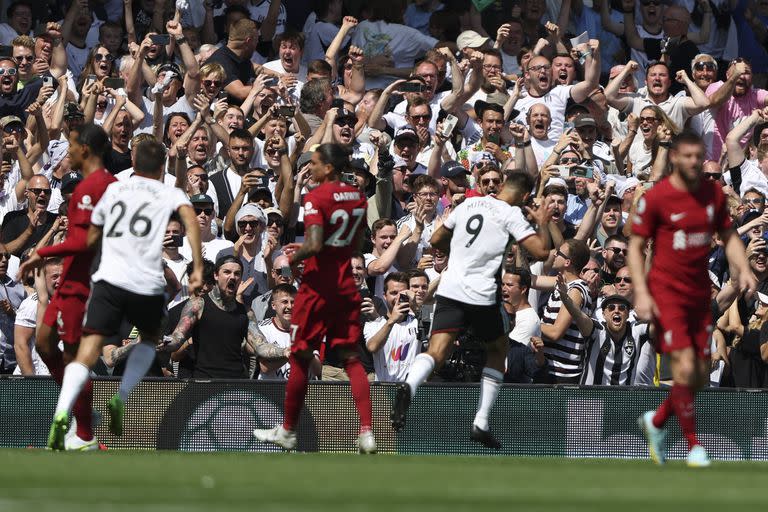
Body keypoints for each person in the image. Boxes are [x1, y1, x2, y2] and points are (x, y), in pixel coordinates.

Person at [44, 139, 204, 451]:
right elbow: (191, 223)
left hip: (109, 280)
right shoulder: (170, 192)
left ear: (134, 162)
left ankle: (62, 411)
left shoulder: (115, 189)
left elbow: (91, 235)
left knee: (86, 349)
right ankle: (122, 396)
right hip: (145, 281)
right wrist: (196, 265)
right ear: (161, 168)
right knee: (149, 340)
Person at [391, 171, 553, 449]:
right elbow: (540, 253)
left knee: (437, 351)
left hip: (450, 286)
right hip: (482, 291)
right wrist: (542, 223)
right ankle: (481, 420)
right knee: (499, 349)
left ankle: (410, 384)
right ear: (525, 197)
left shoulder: (468, 204)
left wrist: (464, 250)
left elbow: (437, 238)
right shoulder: (509, 213)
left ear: (501, 185)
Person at [630, 131, 756, 468]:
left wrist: (741, 267)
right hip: (666, 294)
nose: (692, 162)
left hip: (700, 294)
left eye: (697, 157)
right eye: (686, 156)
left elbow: (728, 236)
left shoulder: (712, 195)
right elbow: (635, 246)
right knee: (685, 368)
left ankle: (656, 422)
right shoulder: (657, 198)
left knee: (699, 375)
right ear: (674, 158)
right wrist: (641, 291)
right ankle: (693, 446)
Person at [254, 143, 376, 454]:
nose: (312, 167)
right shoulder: (359, 197)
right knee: (352, 359)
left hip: (318, 288)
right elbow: (358, 239)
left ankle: (288, 430)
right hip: (346, 285)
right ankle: (366, 431)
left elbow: (316, 241)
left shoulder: (316, 197)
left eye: (317, 162)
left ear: (329, 168)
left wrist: (296, 254)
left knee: (300, 356)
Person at [18, 124, 116, 450]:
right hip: (70, 283)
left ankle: (85, 432)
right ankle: (80, 415)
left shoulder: (95, 188)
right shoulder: (94, 187)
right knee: (45, 344)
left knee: (74, 361)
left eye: (72, 146)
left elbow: (83, 241)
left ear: (85, 149)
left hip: (82, 286)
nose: (67, 153)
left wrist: (40, 254)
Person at [161, 255, 288, 379]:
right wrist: (160, 341)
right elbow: (176, 339)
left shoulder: (246, 312)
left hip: (236, 383)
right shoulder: (198, 305)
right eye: (227, 272)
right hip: (205, 382)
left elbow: (262, 347)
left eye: (237, 273)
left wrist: (286, 351)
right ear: (216, 275)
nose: (232, 277)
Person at [364, 272, 420, 382]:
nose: (398, 297)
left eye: (403, 293)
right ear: (384, 295)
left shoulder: (417, 322)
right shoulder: (374, 323)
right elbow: (372, 347)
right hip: (383, 389)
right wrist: (392, 320)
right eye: (394, 293)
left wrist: (415, 306)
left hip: (410, 389)